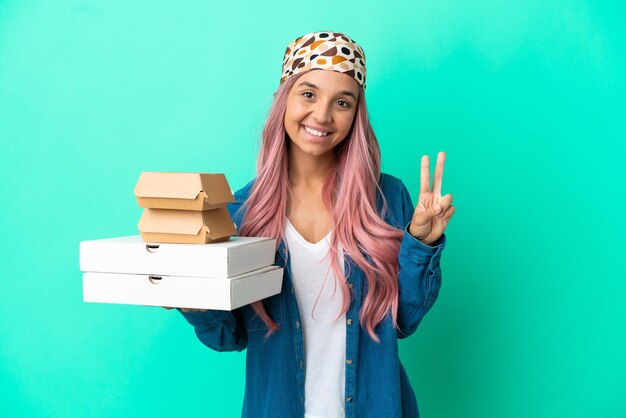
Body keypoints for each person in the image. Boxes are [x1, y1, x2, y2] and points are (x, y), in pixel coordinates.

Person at [166, 31, 456, 418]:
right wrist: (193, 300)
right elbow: (228, 336)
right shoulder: (240, 212)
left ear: (356, 115)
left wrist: (420, 242)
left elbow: (402, 321)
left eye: (342, 102)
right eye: (308, 94)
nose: (322, 115)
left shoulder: (386, 199)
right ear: (282, 99)